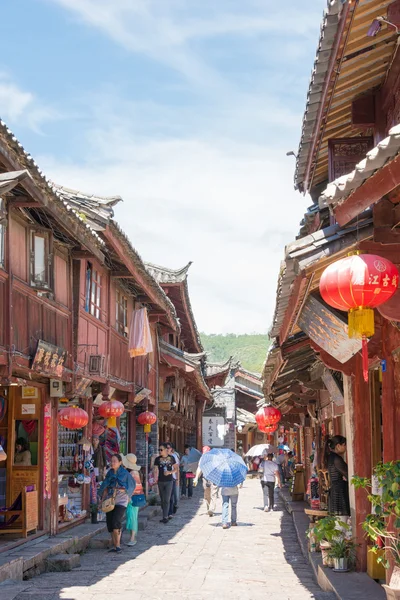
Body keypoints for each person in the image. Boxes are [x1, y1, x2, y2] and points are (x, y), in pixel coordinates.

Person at [98, 453, 135, 553]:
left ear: (120, 462)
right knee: (110, 522)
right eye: (112, 461)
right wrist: (101, 500)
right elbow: (105, 486)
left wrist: (125, 492)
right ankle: (114, 545)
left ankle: (118, 545)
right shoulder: (109, 473)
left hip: (121, 500)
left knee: (116, 520)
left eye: (115, 461)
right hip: (110, 500)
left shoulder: (125, 474)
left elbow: (131, 485)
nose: (112, 463)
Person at [325, 435, 350, 520]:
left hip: (336, 490)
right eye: (344, 445)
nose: (346, 447)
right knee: (341, 521)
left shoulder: (332, 457)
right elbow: (348, 474)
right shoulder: (337, 459)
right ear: (338, 446)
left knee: (339, 522)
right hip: (339, 492)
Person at [122, 454, 145, 547]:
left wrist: (128, 497)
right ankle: (132, 536)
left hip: (133, 497)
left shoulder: (132, 473)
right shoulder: (134, 472)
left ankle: (132, 538)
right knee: (132, 517)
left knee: (132, 517)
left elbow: (132, 488)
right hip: (136, 497)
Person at [154, 443, 178, 524]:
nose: (160, 451)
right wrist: (155, 477)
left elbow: (175, 469)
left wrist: (170, 472)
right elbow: (155, 469)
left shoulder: (171, 458)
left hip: (169, 481)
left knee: (167, 499)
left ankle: (165, 516)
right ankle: (165, 514)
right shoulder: (157, 459)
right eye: (159, 450)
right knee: (162, 499)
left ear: (165, 450)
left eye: (161, 450)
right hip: (160, 481)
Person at [193, 446, 219, 517]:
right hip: (205, 478)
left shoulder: (215, 458)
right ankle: (208, 508)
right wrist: (196, 478)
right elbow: (199, 468)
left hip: (214, 477)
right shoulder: (202, 459)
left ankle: (211, 509)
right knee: (207, 494)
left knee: (213, 493)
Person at [166, 442, 180, 517]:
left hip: (173, 478)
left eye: (168, 448)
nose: (167, 449)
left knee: (174, 497)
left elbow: (177, 469)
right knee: (167, 497)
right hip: (165, 479)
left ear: (171, 449)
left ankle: (172, 509)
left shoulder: (174, 457)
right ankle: (168, 512)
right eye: (166, 448)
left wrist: (177, 479)